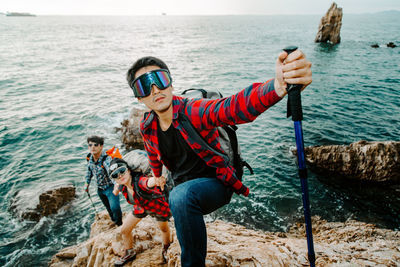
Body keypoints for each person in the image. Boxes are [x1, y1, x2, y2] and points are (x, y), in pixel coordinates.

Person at [126, 51, 312, 266]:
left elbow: (232, 107)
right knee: (178, 196)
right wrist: (157, 175)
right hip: (182, 186)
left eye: (160, 79)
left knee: (180, 197)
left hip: (217, 183)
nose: (155, 89)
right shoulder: (147, 125)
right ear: (139, 98)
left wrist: (278, 86)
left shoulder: (192, 110)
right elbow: (152, 152)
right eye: (143, 86)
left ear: (171, 84)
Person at [109, 158, 172, 266]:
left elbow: (148, 182)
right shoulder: (121, 185)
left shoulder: (140, 181)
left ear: (129, 170)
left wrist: (157, 179)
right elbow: (115, 192)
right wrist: (116, 189)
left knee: (164, 229)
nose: (119, 175)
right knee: (124, 230)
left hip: (156, 207)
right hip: (140, 207)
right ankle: (129, 252)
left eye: (122, 171)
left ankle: (166, 248)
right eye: (115, 175)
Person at [85, 135, 122, 226]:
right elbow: (89, 171)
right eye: (90, 145)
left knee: (115, 207)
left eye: (95, 145)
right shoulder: (90, 158)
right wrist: (87, 184)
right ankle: (114, 221)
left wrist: (116, 185)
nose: (92, 147)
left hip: (110, 188)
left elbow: (112, 173)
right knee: (109, 208)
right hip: (100, 189)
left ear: (101, 146)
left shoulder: (106, 159)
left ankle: (119, 224)